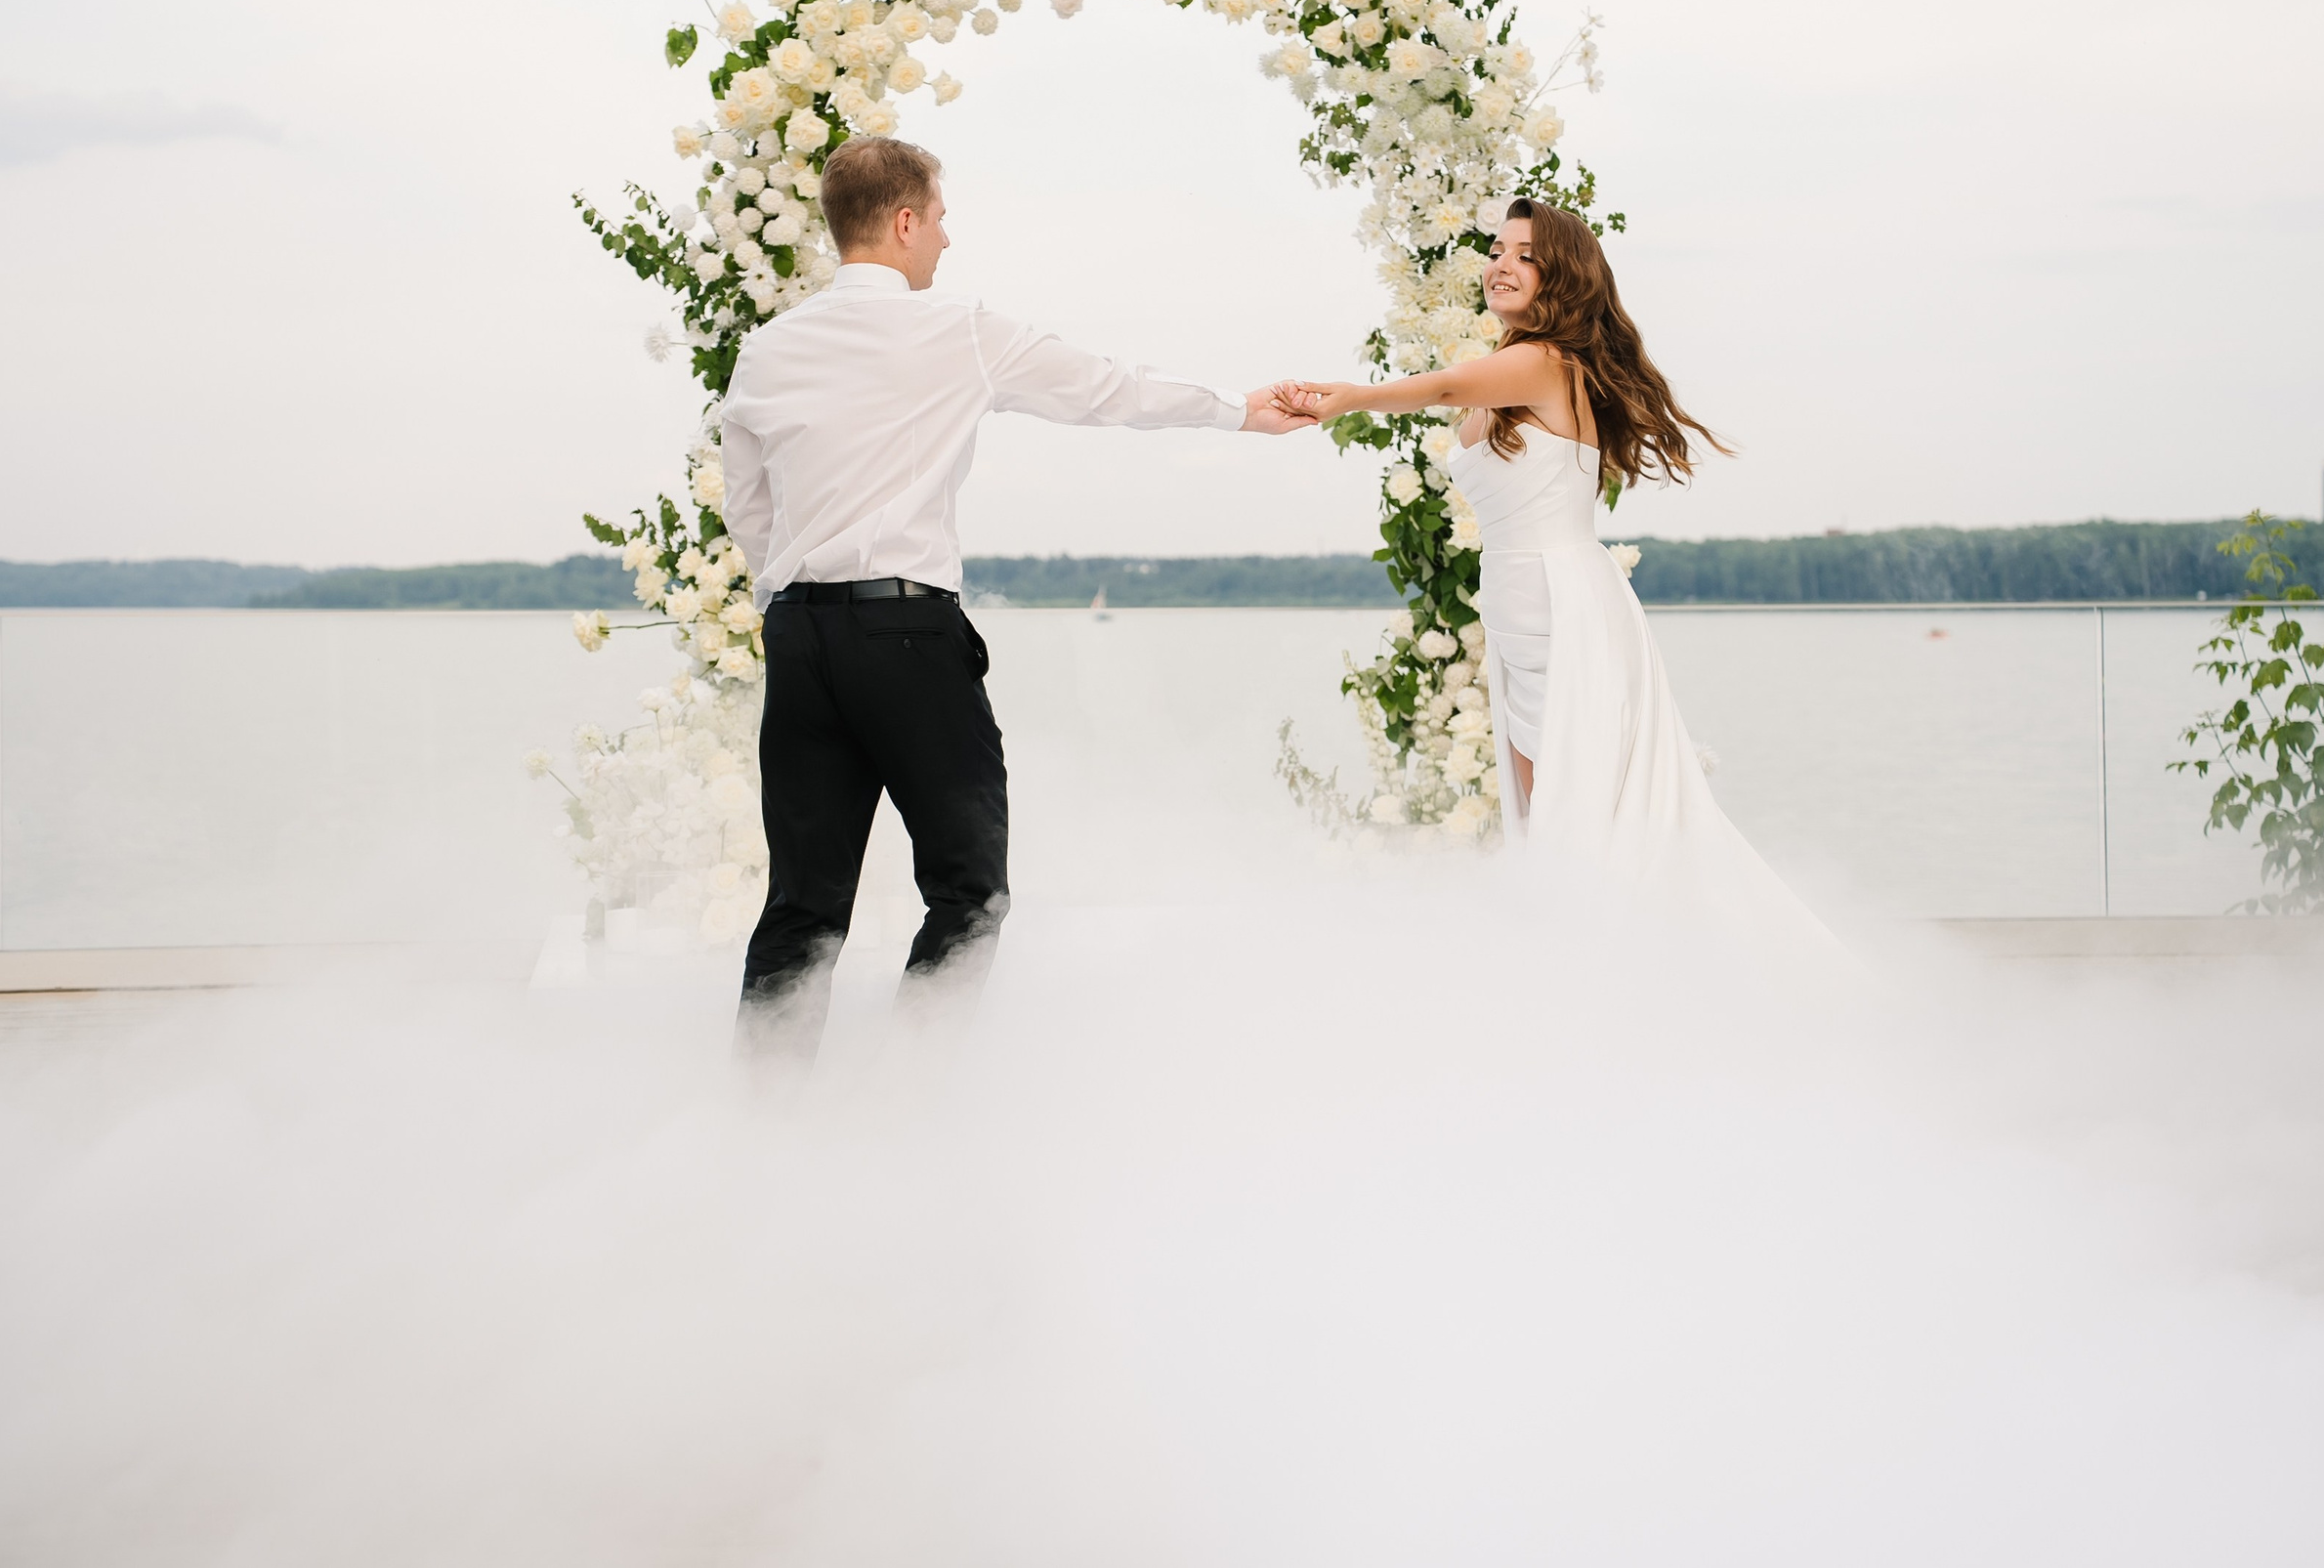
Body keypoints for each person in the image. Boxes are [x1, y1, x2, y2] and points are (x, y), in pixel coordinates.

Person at [718, 136, 1314, 1063]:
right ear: (904, 221)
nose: (946, 240)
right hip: (906, 635)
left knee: (802, 903)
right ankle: (909, 1091)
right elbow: (1106, 390)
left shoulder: (765, 350)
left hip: (798, 636)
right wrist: (1240, 408)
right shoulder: (957, 327)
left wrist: (793, 601)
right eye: (939, 219)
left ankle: (763, 1115)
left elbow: (747, 508)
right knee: (969, 891)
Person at [1277, 198, 1806, 909]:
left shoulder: (1547, 362)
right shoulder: (1519, 364)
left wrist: (1352, 397)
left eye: (1526, 256)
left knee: (1580, 812)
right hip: (1520, 607)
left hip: (1565, 607)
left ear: (1563, 276)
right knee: (1544, 812)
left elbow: (1443, 386)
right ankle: (1570, 951)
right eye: (1497, 250)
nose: (1502, 264)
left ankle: (1621, 950)